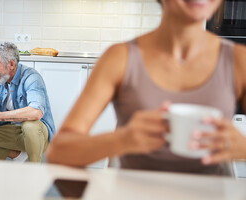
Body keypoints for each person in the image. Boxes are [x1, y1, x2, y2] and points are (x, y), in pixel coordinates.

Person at [46, 0, 246, 175]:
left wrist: (242, 147)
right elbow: (59, 152)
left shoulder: (239, 60)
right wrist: (122, 139)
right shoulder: (120, 57)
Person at [0, 41, 55, 162]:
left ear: (11, 64)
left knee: (30, 126)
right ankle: (17, 155)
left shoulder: (31, 77)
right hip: (13, 133)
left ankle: (33, 171)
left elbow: (36, 112)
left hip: (37, 134)